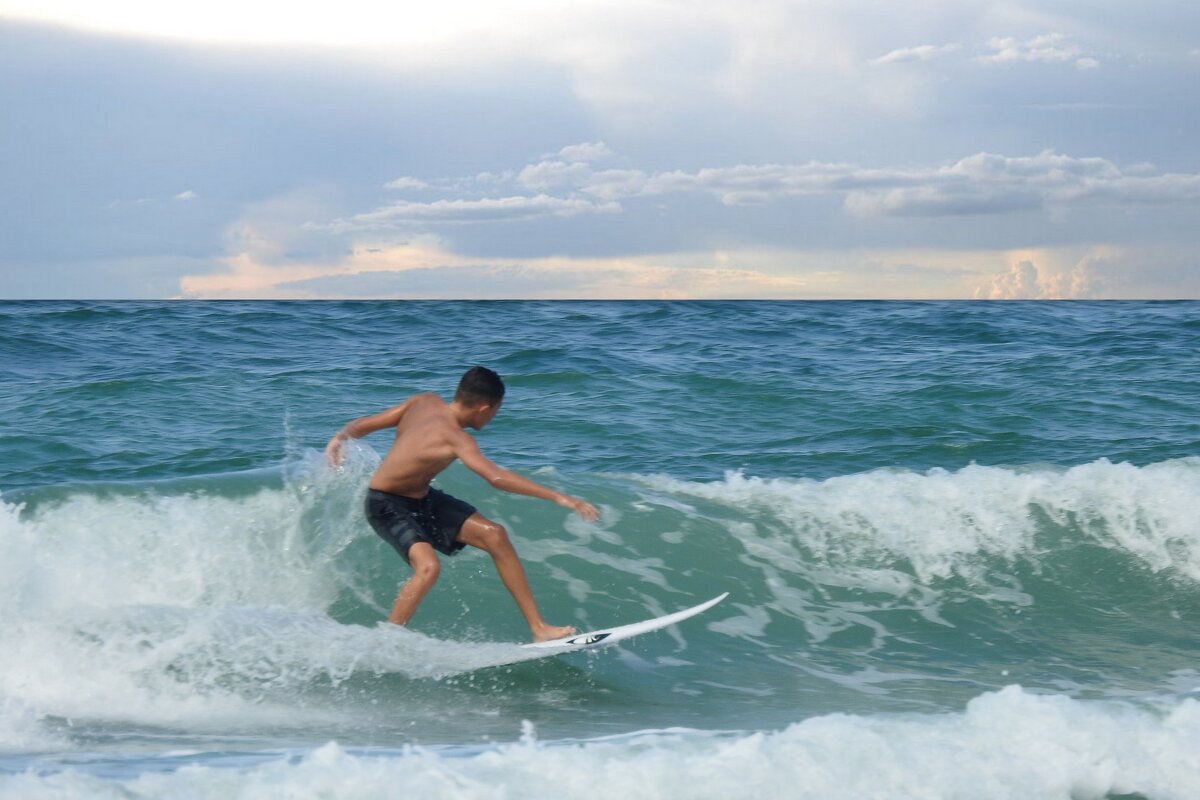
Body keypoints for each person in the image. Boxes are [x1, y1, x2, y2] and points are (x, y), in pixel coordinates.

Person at [325, 366, 598, 642]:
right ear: (483, 407)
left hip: (421, 498)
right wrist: (560, 497)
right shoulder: (456, 438)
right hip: (385, 504)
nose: (493, 417)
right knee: (428, 568)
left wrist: (339, 438)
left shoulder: (422, 402)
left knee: (495, 535)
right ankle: (387, 641)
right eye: (496, 410)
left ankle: (538, 628)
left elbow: (366, 423)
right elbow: (496, 477)